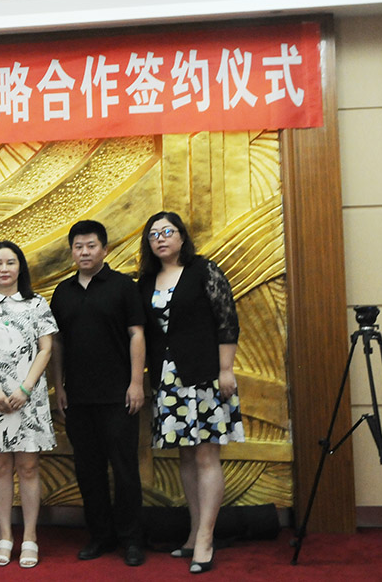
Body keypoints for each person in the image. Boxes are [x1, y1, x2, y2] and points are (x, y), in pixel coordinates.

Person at [137, 211, 244, 574]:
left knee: (206, 456)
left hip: (205, 375)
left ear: (182, 236)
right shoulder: (146, 280)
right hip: (167, 380)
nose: (161, 238)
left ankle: (206, 539)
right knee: (185, 457)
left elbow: (227, 320)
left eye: (168, 231)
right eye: (154, 234)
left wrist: (226, 369)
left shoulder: (203, 270)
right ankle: (194, 531)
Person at [48, 219, 147, 567]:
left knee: (124, 469)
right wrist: (58, 385)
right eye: (78, 246)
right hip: (77, 398)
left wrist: (136, 383)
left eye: (91, 245)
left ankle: (132, 539)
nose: (85, 252)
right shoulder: (62, 292)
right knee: (88, 471)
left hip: (119, 396)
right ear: (72, 252)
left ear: (104, 249)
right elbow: (56, 342)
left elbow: (137, 334)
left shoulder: (123, 286)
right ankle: (100, 536)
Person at [0, 241, 58, 568]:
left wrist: (26, 388)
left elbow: (46, 348)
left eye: (10, 262)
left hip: (28, 397)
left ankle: (30, 536)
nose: (4, 268)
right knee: (0, 468)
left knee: (28, 468)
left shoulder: (36, 304)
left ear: (20, 267)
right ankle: (4, 536)